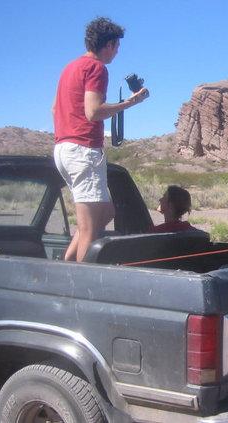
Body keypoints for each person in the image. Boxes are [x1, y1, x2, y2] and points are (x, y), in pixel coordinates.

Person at [52, 17, 149, 261]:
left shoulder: (69, 68)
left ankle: (66, 265)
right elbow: (93, 111)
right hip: (83, 150)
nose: (117, 52)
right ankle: (81, 287)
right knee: (89, 230)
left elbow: (55, 109)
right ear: (109, 44)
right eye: (117, 47)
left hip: (64, 148)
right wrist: (130, 102)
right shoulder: (96, 68)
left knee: (105, 213)